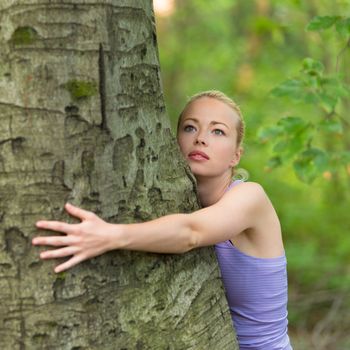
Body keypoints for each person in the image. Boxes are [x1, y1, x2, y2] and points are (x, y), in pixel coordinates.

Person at [32, 90, 292, 350]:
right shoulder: (172, 201)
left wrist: (108, 236)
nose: (201, 139)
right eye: (190, 128)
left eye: (218, 131)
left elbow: (191, 233)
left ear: (236, 155)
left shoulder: (250, 197)